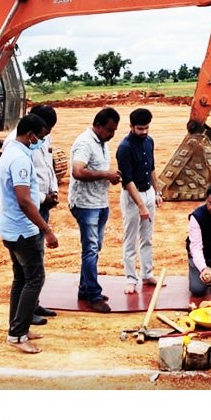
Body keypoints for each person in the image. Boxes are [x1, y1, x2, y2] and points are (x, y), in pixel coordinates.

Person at [0, 114, 58, 354]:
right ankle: (17, 335)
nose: (41, 142)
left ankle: (18, 327)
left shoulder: (12, 152)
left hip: (11, 227)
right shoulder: (20, 159)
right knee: (35, 279)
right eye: (40, 137)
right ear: (31, 135)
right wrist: (47, 229)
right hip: (22, 230)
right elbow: (24, 200)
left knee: (21, 279)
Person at [69, 107, 122, 313]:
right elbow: (78, 171)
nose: (112, 135)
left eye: (114, 131)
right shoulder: (84, 143)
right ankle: (93, 294)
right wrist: (105, 174)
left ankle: (85, 288)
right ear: (98, 125)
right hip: (85, 204)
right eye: (109, 130)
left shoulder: (101, 141)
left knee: (95, 248)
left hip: (99, 202)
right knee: (90, 249)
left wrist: (108, 176)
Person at [116, 108, 163, 294]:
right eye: (140, 128)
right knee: (130, 239)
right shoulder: (124, 148)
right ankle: (130, 278)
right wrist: (141, 206)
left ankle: (147, 273)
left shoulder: (149, 141)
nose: (143, 132)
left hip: (148, 192)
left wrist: (157, 191)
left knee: (147, 237)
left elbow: (151, 168)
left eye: (146, 128)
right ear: (131, 126)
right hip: (131, 197)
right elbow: (127, 180)